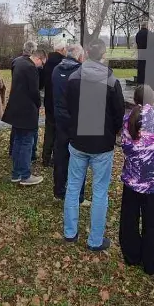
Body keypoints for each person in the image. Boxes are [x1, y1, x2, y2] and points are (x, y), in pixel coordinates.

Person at [63, 40, 125, 251]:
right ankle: (94, 240)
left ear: (87, 53)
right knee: (99, 192)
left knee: (73, 187)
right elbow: (119, 113)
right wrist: (112, 131)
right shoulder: (109, 79)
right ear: (103, 55)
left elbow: (69, 106)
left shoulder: (74, 77)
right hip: (100, 142)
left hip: (80, 139)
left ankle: (70, 232)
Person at [119, 84, 154, 275]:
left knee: (129, 217)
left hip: (131, 178)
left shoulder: (127, 120)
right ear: (153, 100)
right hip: (152, 181)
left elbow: (124, 145)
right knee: (152, 221)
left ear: (135, 99)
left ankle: (131, 255)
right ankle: (151, 260)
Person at [3, 46, 47, 186]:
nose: (42, 66)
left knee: (17, 141)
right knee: (26, 143)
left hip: (16, 108)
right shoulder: (30, 68)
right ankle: (25, 175)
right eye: (43, 63)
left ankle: (16, 173)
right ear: (39, 58)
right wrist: (38, 104)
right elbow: (35, 91)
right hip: (26, 111)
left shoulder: (18, 62)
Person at [52, 44, 86, 203]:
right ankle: (78, 195)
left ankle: (58, 190)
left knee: (60, 153)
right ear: (79, 56)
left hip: (59, 117)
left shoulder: (56, 69)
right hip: (75, 119)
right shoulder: (80, 72)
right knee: (78, 156)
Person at [42, 41, 66, 167]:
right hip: (59, 101)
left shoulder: (47, 63)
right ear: (62, 50)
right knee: (58, 131)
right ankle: (56, 157)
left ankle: (45, 156)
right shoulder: (62, 63)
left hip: (48, 100)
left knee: (49, 129)